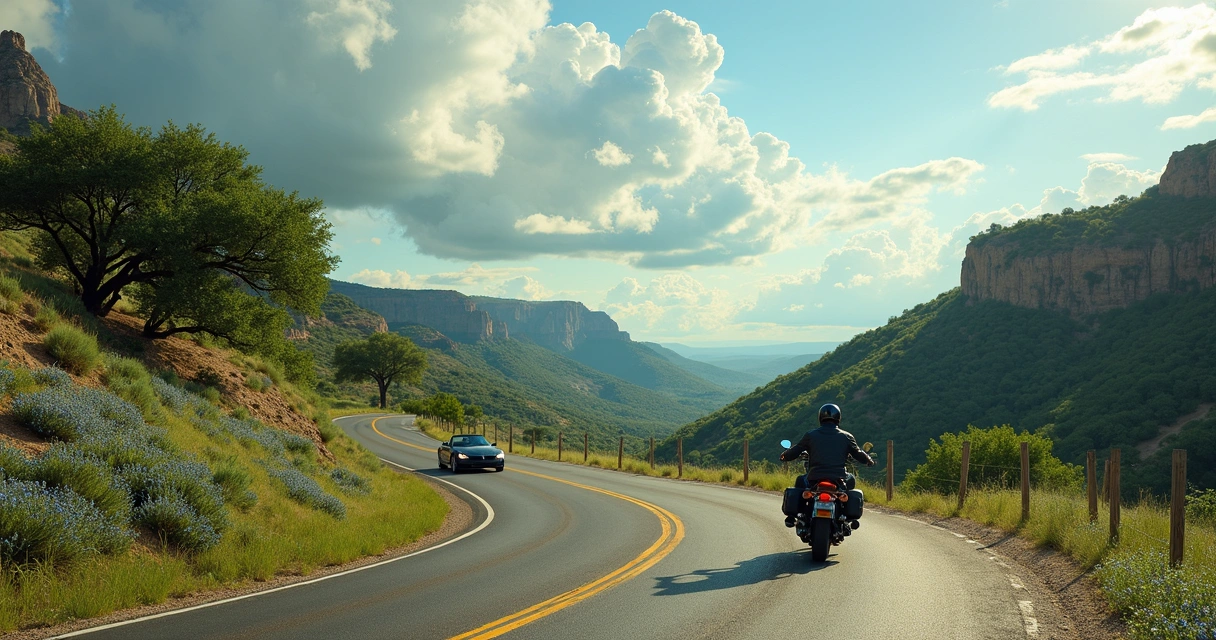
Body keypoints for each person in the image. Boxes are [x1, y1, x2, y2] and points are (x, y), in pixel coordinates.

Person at [779, 403, 875, 527]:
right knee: (851, 479)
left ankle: (796, 516)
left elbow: (796, 450)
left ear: (820, 417)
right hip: (838, 478)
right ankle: (846, 518)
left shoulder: (810, 435)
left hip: (814, 477)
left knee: (800, 481)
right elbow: (858, 453)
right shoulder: (847, 436)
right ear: (838, 418)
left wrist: (785, 455)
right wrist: (868, 460)